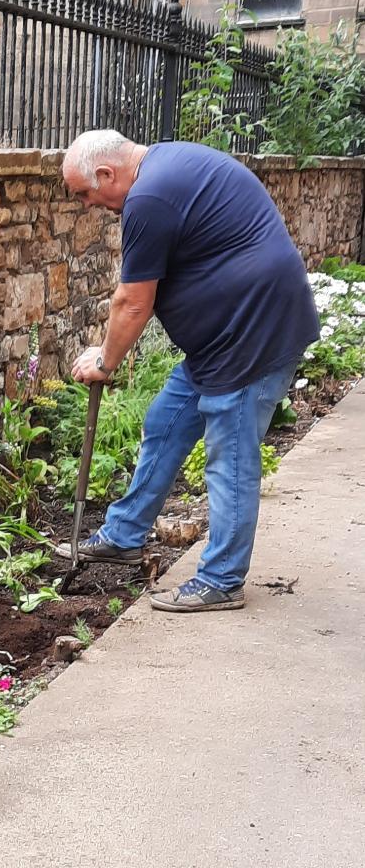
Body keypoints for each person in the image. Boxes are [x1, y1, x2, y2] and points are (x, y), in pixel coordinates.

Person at [57, 130, 318, 612]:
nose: (89, 205)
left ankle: (222, 579)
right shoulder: (166, 167)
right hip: (224, 338)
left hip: (252, 336)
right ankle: (125, 533)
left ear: (107, 174)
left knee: (229, 454)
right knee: (167, 421)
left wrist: (105, 361)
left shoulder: (149, 197)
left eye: (86, 193)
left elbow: (133, 302)